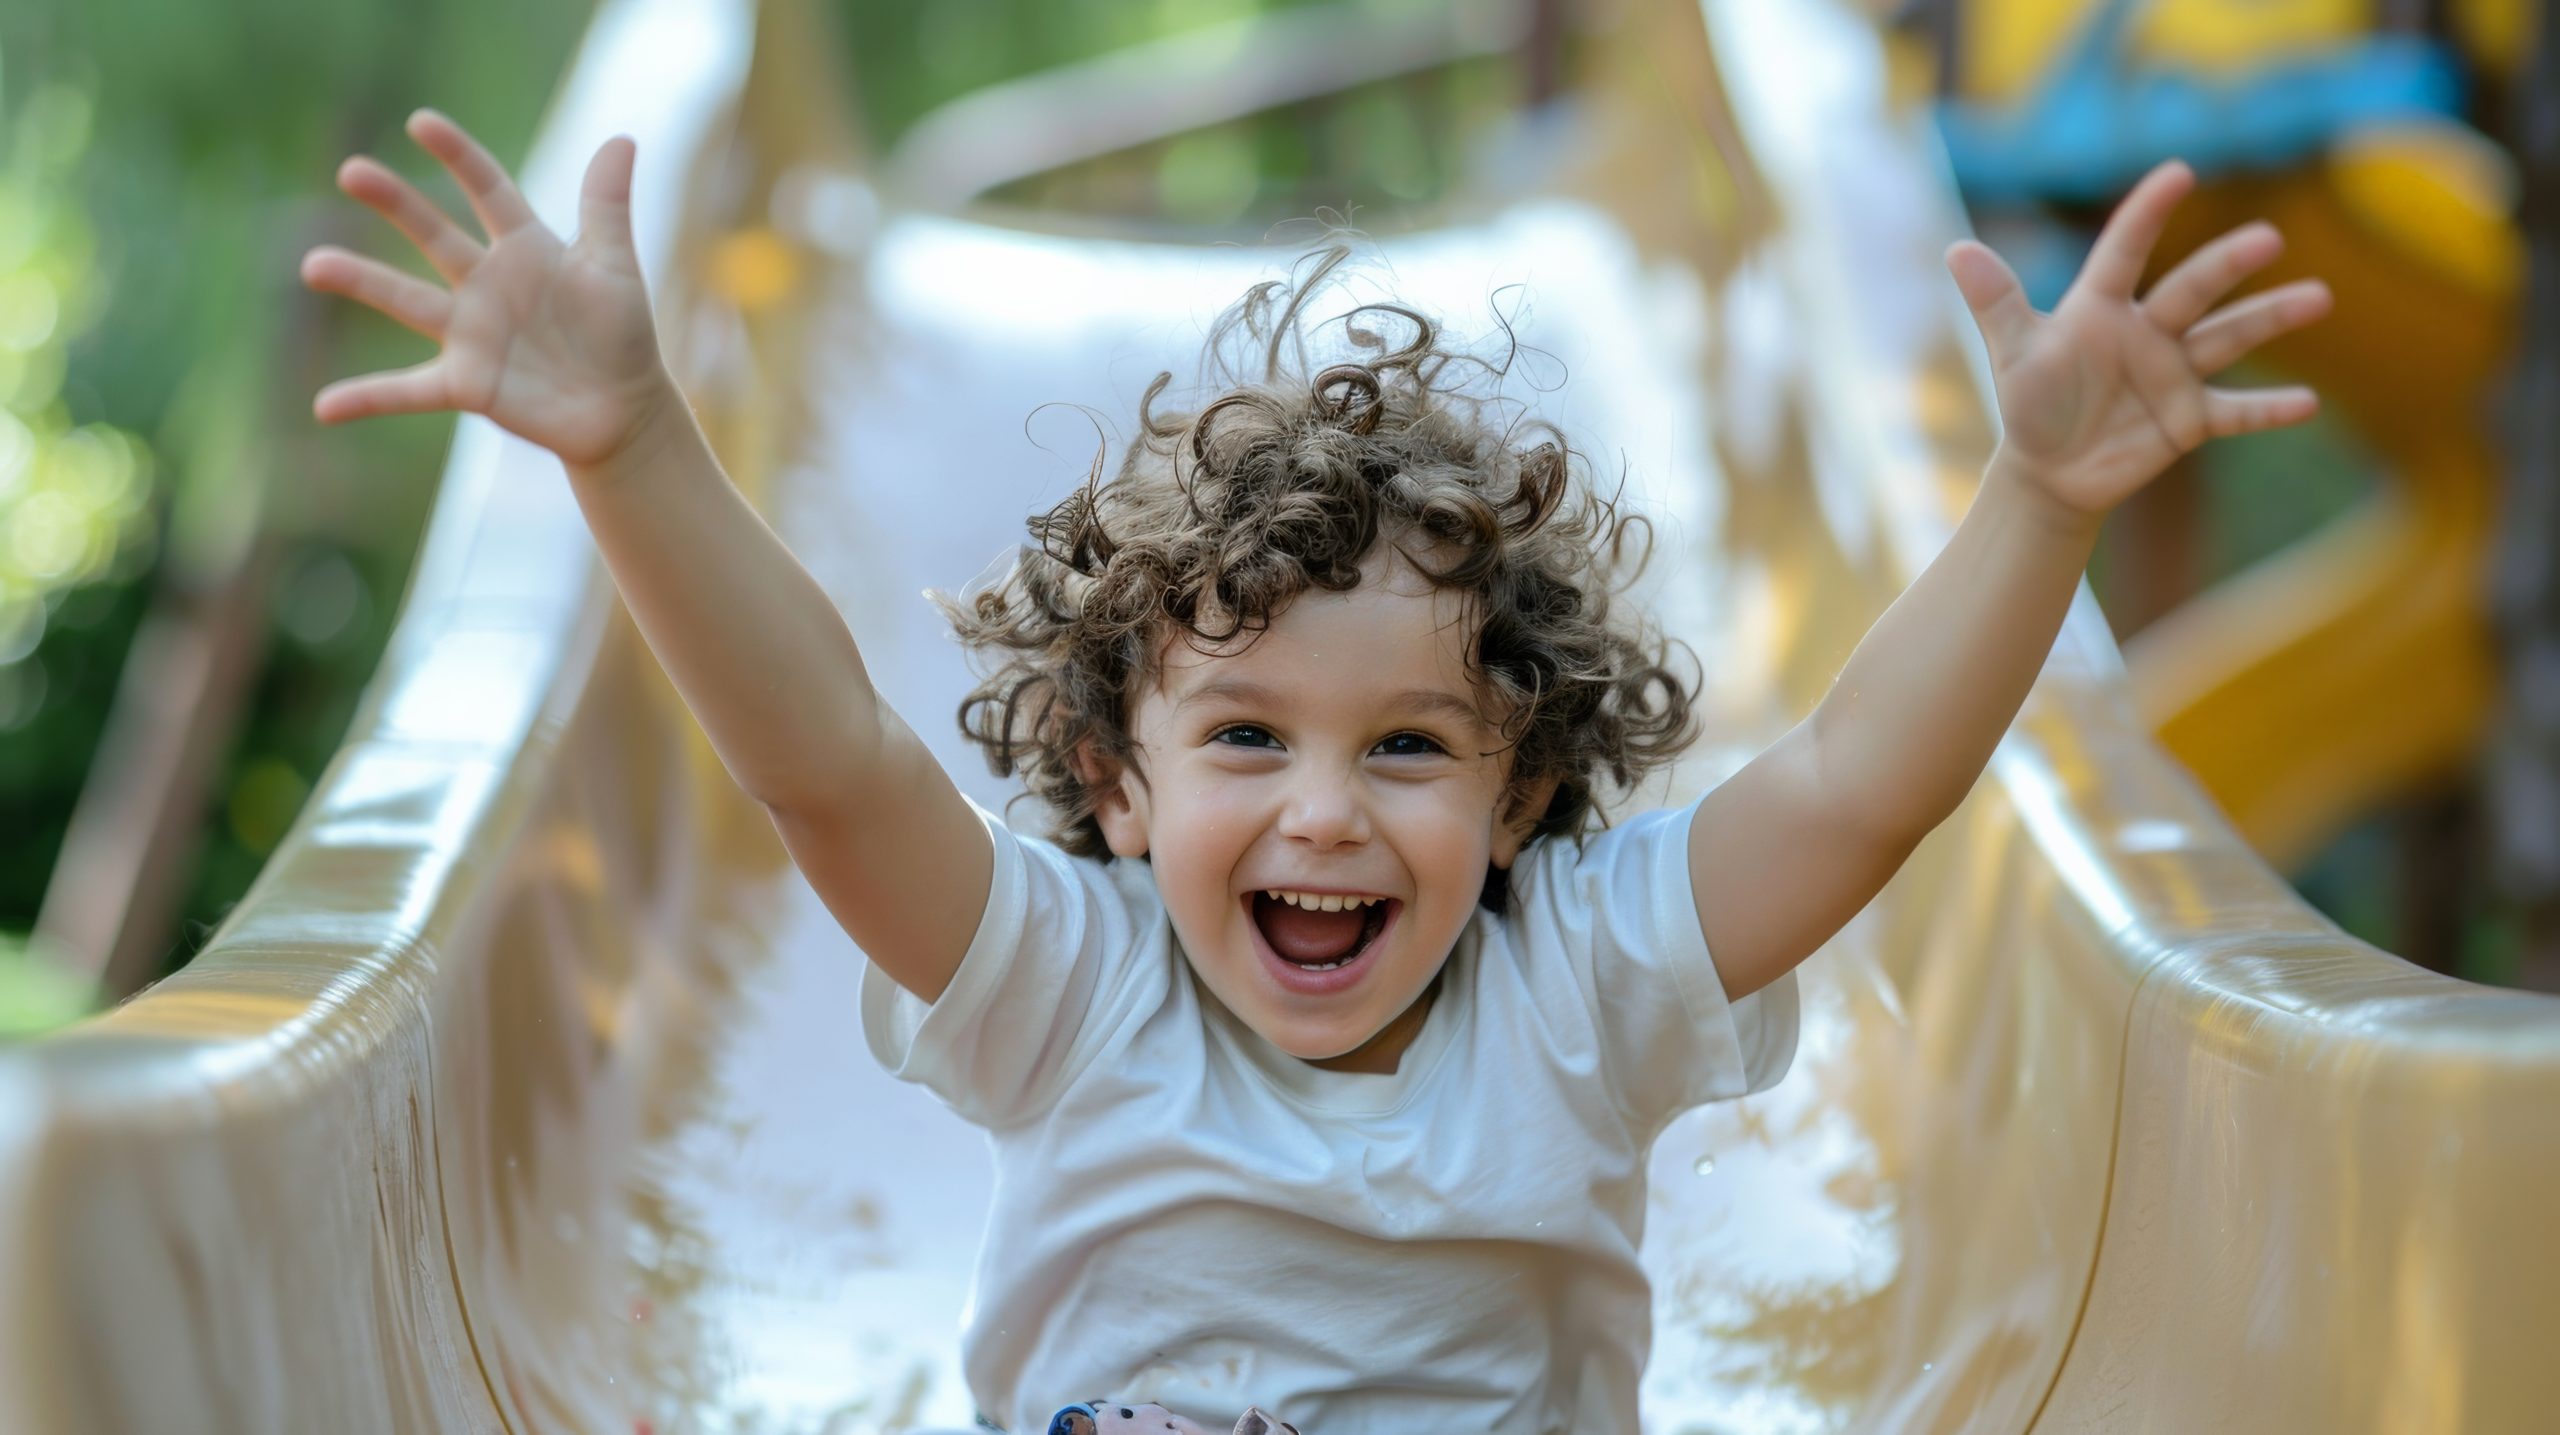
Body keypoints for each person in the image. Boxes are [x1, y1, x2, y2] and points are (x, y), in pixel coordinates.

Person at [301, 109, 2331, 1433]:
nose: (1325, 809)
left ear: (1520, 791)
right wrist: (633, 443)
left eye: (1410, 747)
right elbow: (826, 763)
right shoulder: (1067, 986)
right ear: (1114, 781)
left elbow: (1863, 785)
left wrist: (2035, 506)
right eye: (1245, 737)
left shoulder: (1586, 976)